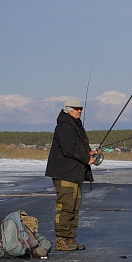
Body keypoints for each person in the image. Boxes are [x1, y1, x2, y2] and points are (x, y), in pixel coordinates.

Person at [45, 98, 98, 251]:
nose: (79, 111)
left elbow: (77, 147)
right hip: (64, 173)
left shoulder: (76, 125)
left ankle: (70, 238)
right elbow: (69, 148)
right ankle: (62, 240)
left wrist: (88, 153)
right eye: (76, 108)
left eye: (81, 108)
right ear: (68, 109)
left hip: (75, 173)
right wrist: (85, 158)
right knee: (66, 207)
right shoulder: (64, 126)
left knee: (74, 207)